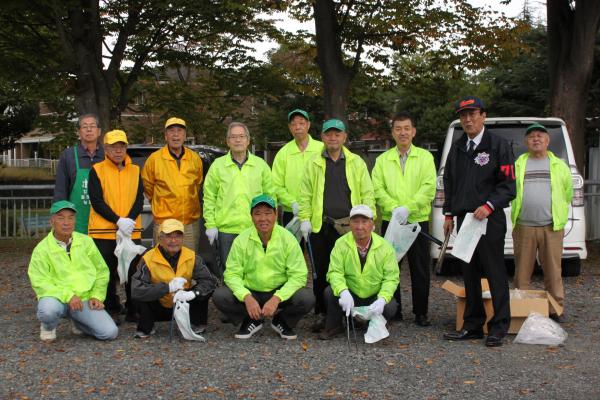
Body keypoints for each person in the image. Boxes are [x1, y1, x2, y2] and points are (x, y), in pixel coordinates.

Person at [442, 96, 516, 347]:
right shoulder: (458, 147)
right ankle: (473, 324)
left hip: (488, 218)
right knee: (469, 272)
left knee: (495, 272)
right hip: (465, 220)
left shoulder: (499, 145)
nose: (468, 119)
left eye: (473, 114)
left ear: (483, 116)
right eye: (463, 115)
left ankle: (499, 326)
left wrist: (489, 205)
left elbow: (508, 186)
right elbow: (450, 183)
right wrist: (449, 213)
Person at [298, 118, 375, 332]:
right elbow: (305, 194)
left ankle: (351, 313)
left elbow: (367, 192)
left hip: (349, 228)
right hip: (321, 226)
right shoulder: (313, 162)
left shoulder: (356, 162)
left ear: (344, 137)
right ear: (322, 137)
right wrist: (304, 218)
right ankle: (324, 314)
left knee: (350, 270)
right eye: (328, 134)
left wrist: (369, 218)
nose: (333, 137)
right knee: (321, 272)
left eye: (337, 134)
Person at [213, 195, 315, 340]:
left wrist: (277, 297)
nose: (263, 218)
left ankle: (282, 320)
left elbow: (298, 275)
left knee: (307, 298)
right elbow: (231, 274)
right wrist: (246, 296)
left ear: (276, 214)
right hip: (251, 290)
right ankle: (251, 319)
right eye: (258, 213)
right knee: (220, 295)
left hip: (278, 290)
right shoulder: (241, 240)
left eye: (268, 213)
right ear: (251, 216)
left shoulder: (288, 239)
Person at [371, 112, 436, 325]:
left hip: (417, 220)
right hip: (392, 220)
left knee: (420, 268)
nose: (403, 132)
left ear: (413, 131)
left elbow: (428, 188)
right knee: (391, 267)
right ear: (392, 132)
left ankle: (421, 312)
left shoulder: (425, 158)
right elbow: (377, 188)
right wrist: (393, 207)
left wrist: (409, 207)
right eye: (398, 128)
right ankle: (394, 310)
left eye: (407, 128)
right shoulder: (382, 160)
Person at [28, 200, 118, 341]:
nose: (66, 222)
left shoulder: (86, 242)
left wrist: (97, 296)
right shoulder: (42, 249)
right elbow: (40, 281)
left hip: (83, 299)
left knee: (109, 333)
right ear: (52, 221)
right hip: (57, 298)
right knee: (47, 311)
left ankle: (78, 320)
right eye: (61, 217)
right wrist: (68, 296)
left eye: (71, 217)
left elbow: (102, 271)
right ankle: (48, 326)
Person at [512, 123, 572, 322]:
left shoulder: (559, 166)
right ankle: (522, 309)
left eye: (539, 136)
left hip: (551, 227)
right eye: (531, 137)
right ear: (526, 142)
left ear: (547, 141)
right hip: (524, 226)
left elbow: (568, 193)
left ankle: (555, 309)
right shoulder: (519, 164)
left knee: (553, 270)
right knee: (522, 272)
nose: (535, 139)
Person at [203, 122, 275, 279]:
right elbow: (209, 197)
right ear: (227, 141)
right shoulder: (218, 166)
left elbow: (271, 197)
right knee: (230, 274)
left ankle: (254, 302)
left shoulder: (260, 165)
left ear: (248, 140)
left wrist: (270, 224)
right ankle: (231, 303)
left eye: (241, 136)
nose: (238, 140)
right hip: (227, 231)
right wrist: (211, 225)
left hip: (254, 228)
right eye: (233, 137)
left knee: (256, 271)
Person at [88, 129, 144, 325]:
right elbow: (96, 201)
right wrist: (117, 220)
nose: (118, 150)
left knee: (132, 271)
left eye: (121, 146)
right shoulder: (97, 170)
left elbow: (138, 199)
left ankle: (133, 308)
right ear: (106, 149)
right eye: (113, 147)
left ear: (126, 147)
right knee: (107, 271)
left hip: (130, 230)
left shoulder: (135, 170)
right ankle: (111, 308)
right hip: (103, 231)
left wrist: (128, 220)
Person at [319, 205, 399, 340]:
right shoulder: (340, 244)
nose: (359, 226)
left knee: (390, 306)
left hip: (373, 295)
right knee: (329, 293)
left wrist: (382, 299)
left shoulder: (385, 247)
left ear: (372, 224)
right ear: (349, 224)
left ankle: (373, 324)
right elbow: (334, 272)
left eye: (364, 221)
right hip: (351, 294)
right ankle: (334, 326)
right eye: (355, 221)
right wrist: (343, 291)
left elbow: (391, 278)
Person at [130, 219, 217, 338]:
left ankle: (196, 323)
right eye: (168, 236)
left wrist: (192, 293)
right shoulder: (148, 258)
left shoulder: (192, 256)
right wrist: (168, 287)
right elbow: (136, 289)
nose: (173, 240)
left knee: (203, 291)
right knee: (140, 295)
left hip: (184, 302)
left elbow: (210, 281)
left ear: (183, 238)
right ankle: (146, 327)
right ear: (160, 239)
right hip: (158, 305)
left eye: (178, 236)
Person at [142, 117, 203, 251]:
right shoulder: (154, 159)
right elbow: (148, 187)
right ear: (165, 135)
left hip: (189, 223)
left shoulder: (194, 158)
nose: (175, 135)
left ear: (185, 136)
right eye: (171, 131)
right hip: (164, 223)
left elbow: (197, 185)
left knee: (188, 263)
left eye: (179, 131)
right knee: (162, 265)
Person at [53, 114, 105, 234]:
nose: (89, 129)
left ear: (99, 131)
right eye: (84, 126)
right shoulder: (68, 156)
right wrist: (59, 218)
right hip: (76, 221)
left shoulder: (107, 155)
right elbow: (60, 190)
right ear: (78, 132)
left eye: (92, 126)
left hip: (104, 222)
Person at [271, 109, 323, 226]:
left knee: (318, 244)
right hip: (292, 212)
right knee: (293, 245)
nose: (297, 127)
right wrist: (292, 203)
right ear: (289, 127)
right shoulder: (283, 153)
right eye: (293, 124)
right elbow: (275, 185)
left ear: (308, 125)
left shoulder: (321, 149)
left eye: (301, 123)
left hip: (319, 212)